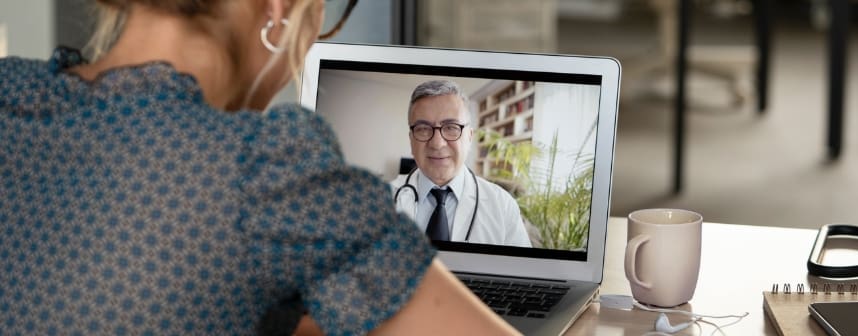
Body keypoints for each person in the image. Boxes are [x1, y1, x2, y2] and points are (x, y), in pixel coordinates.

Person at [0, 1, 520, 335]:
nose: (436, 142)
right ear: (279, 9)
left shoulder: (10, 94)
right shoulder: (264, 168)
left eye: (450, 128)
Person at [393, 80, 532, 247]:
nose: (437, 143)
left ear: (469, 137)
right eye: (423, 128)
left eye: (451, 127)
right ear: (411, 140)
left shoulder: (503, 207)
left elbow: (517, 272)